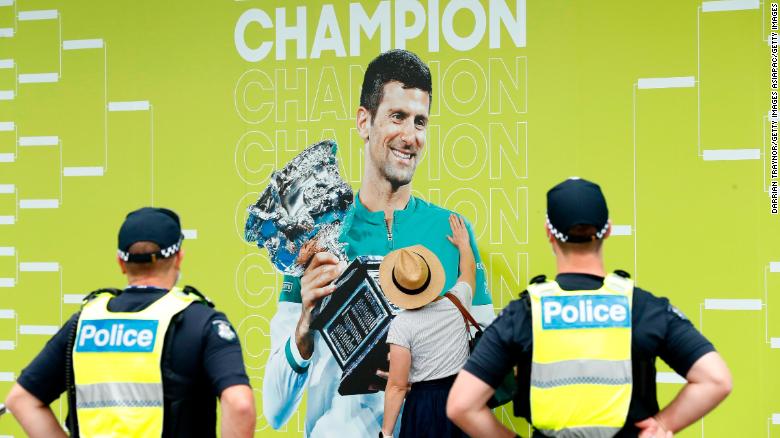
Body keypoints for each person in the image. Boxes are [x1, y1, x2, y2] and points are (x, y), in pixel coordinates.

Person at [262, 49, 495, 437]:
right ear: (364, 121)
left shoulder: (451, 230)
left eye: (420, 121)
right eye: (398, 117)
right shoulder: (317, 237)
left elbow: (487, 367)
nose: (410, 136)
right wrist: (303, 328)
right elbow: (274, 410)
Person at [446, 178, 732, 438]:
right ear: (607, 230)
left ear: (549, 232)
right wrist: (664, 424)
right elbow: (716, 379)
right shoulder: (642, 308)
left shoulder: (524, 314)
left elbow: (462, 405)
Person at [4, 207, 256, 437]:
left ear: (121, 262)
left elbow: (22, 400)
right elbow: (239, 404)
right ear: (178, 257)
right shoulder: (201, 323)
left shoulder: (83, 324)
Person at [381, 215, 474, 438]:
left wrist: (386, 432)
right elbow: (469, 270)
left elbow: (397, 386)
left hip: (424, 407)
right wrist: (464, 244)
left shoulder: (402, 325)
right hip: (462, 399)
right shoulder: (457, 300)